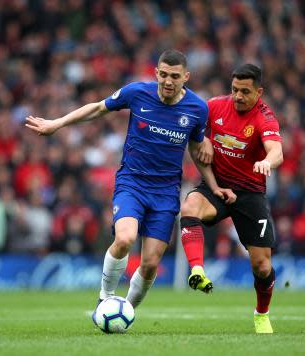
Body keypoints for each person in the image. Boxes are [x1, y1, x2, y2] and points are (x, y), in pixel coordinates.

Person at [25, 50, 226, 313]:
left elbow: (197, 150)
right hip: (132, 184)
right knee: (125, 239)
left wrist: (212, 184)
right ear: (156, 72)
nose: (167, 81)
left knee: (151, 262)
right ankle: (105, 297)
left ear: (185, 77)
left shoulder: (197, 109)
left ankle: (125, 311)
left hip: (166, 193)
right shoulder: (137, 93)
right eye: (163, 74)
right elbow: (97, 108)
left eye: (174, 76)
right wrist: (58, 123)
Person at [179, 64, 283, 334]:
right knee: (189, 206)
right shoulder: (214, 106)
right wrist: (203, 140)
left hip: (250, 194)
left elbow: (277, 152)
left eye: (245, 92)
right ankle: (197, 270)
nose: (237, 96)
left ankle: (262, 314)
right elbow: (193, 132)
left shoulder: (265, 117)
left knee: (262, 267)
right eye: (234, 89)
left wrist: (266, 162)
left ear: (259, 92)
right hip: (217, 187)